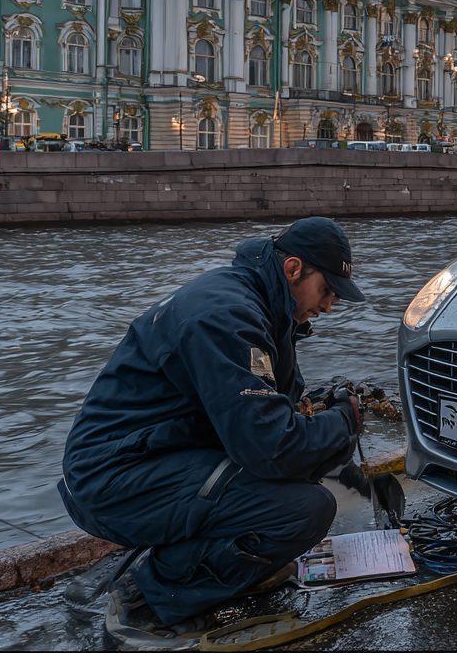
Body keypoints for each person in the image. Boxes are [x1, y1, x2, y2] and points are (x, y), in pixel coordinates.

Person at [58, 217, 367, 649]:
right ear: (294, 269)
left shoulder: (255, 303)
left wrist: (330, 438)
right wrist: (342, 423)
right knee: (303, 509)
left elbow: (269, 415)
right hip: (111, 478)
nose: (330, 305)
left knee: (299, 480)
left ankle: (232, 566)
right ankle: (146, 599)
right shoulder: (228, 316)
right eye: (328, 290)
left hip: (145, 459)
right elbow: (270, 447)